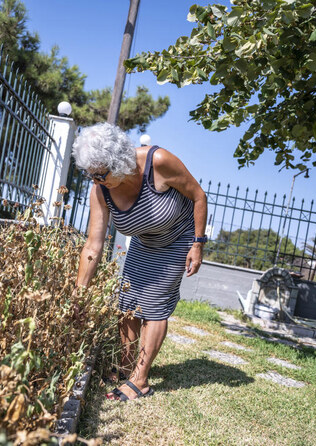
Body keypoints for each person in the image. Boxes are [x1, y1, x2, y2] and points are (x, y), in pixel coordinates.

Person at [72, 122, 208, 401]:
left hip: (178, 238)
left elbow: (198, 196)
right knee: (128, 304)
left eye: (101, 174)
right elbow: (93, 245)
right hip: (144, 242)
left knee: (154, 305)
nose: (96, 181)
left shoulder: (158, 162)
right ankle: (124, 366)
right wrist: (79, 292)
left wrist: (198, 243)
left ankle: (141, 380)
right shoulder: (101, 191)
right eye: (91, 175)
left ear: (120, 162)